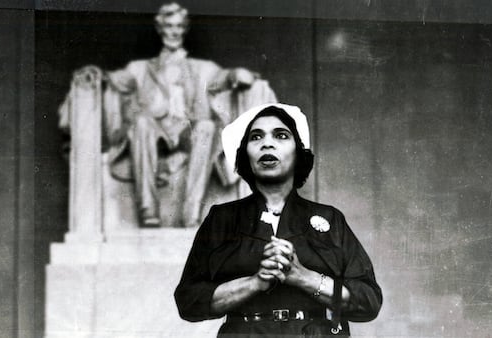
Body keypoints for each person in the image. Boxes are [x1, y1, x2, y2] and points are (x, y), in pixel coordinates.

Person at [174, 103, 382, 337]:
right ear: (245, 154)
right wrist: (255, 282)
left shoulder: (329, 218)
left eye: (281, 135)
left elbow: (369, 301)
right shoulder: (222, 219)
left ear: (298, 151)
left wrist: (302, 276)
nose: (267, 143)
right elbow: (188, 301)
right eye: (256, 137)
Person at [102, 2, 259, 227]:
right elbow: (121, 79)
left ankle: (192, 212)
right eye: (169, 26)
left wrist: (238, 74)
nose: (174, 31)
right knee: (142, 122)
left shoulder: (201, 68)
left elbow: (223, 78)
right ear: (160, 29)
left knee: (206, 126)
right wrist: (100, 76)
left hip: (187, 129)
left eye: (178, 26)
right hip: (154, 129)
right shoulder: (140, 67)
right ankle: (148, 210)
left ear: (184, 29)